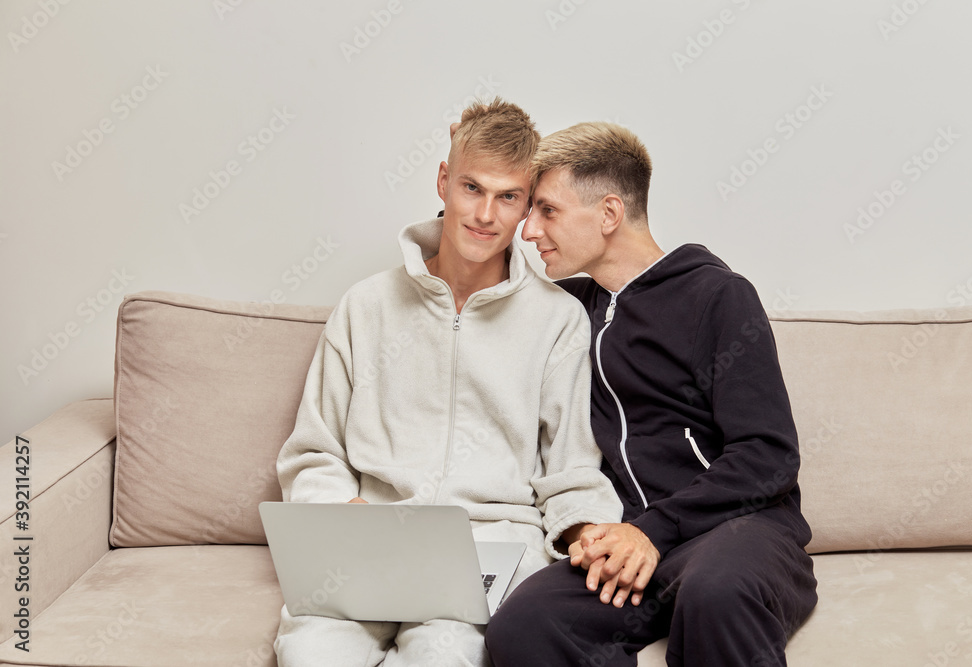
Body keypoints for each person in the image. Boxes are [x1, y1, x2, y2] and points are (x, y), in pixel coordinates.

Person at [272, 101, 623, 666]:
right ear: (443, 182)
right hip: (367, 545)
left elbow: (571, 467)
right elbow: (314, 450)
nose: (485, 214)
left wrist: (587, 532)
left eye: (508, 196)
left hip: (485, 552)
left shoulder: (557, 321)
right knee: (312, 657)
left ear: (526, 206)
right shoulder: (366, 306)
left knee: (445, 658)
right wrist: (342, 508)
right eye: (471, 188)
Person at [486, 122, 818, 666]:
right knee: (524, 624)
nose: (529, 231)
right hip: (628, 546)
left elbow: (768, 455)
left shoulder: (719, 296)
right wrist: (476, 172)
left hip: (738, 535)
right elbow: (481, 283)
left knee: (716, 592)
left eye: (547, 211)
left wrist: (655, 531)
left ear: (609, 214)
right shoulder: (567, 312)